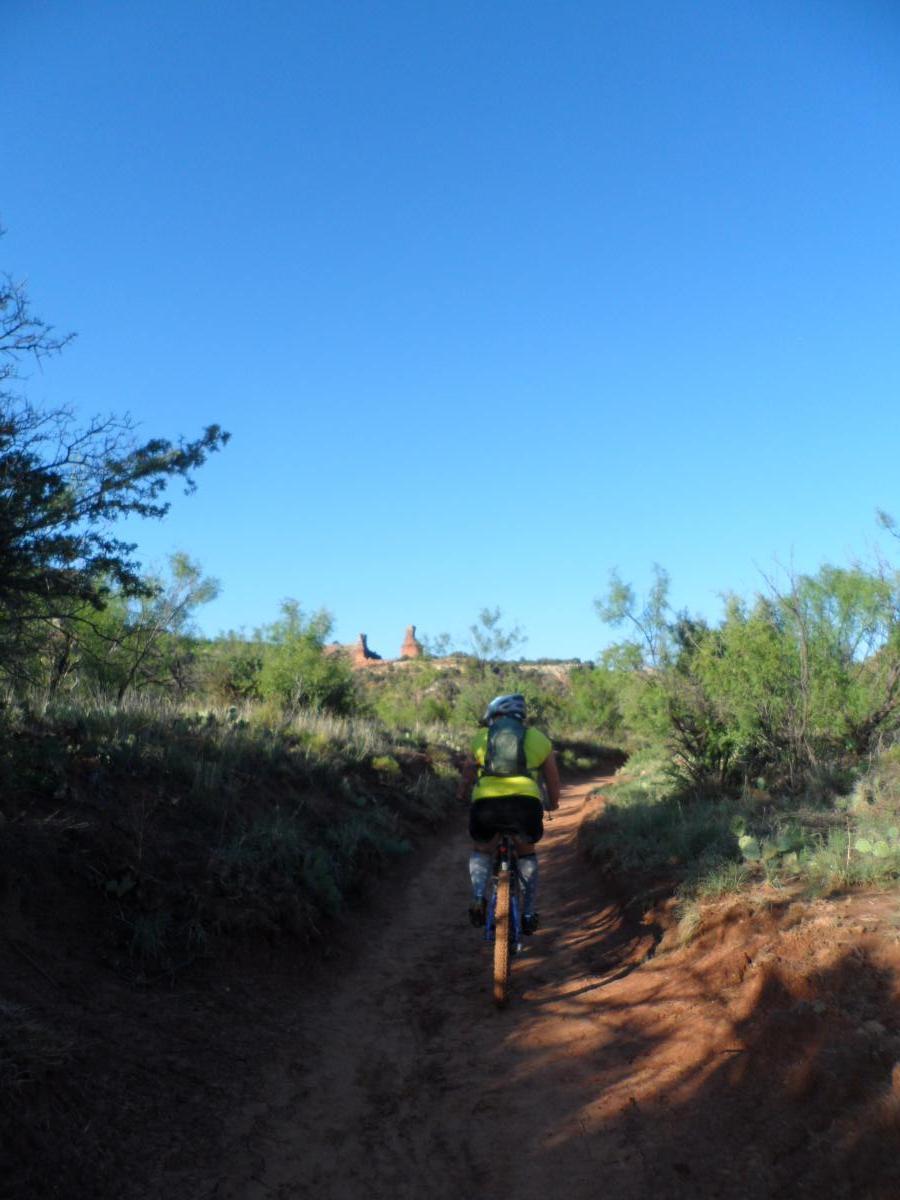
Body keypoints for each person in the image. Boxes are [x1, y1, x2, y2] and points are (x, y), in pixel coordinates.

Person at [457, 693, 560, 934]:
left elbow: (468, 773)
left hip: (486, 806)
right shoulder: (539, 739)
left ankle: (479, 896)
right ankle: (528, 912)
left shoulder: (481, 738)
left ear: (494, 715)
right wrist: (553, 803)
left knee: (482, 848)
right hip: (525, 806)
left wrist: (462, 794)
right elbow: (553, 781)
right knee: (526, 853)